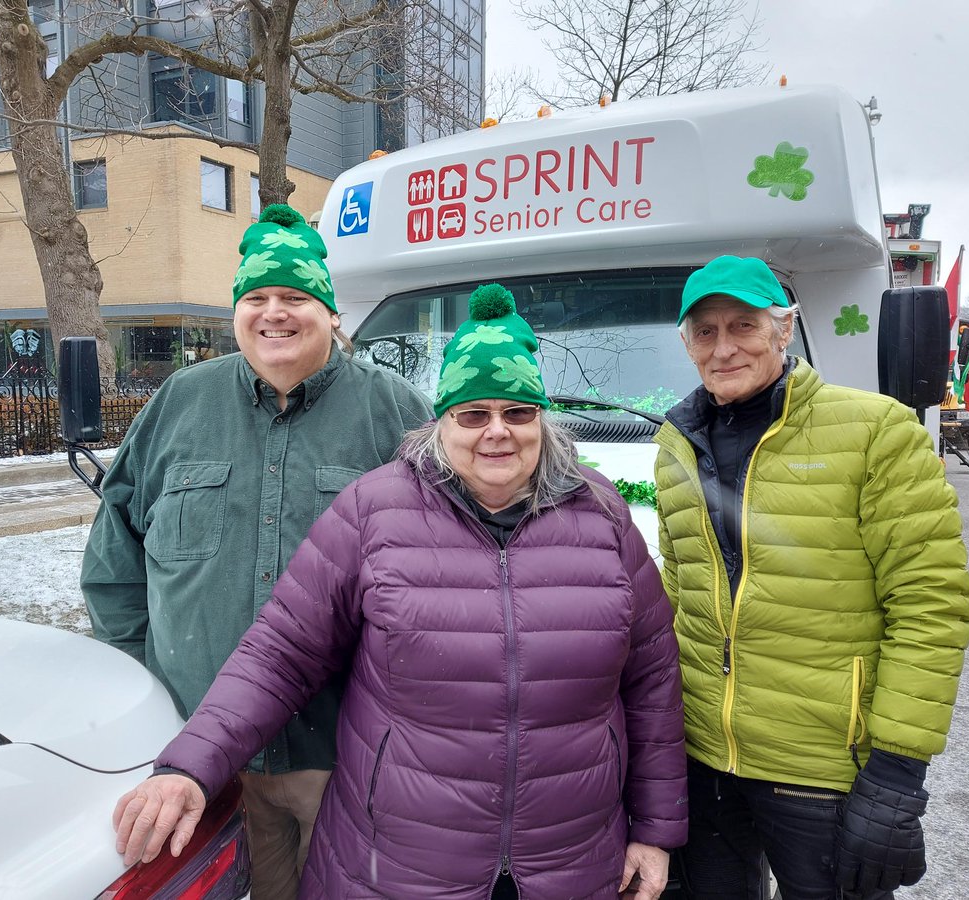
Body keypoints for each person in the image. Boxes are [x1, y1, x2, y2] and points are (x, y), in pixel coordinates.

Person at [110, 283, 688, 899]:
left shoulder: (601, 516)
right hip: (399, 863)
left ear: (542, 421)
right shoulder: (375, 510)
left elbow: (651, 681)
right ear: (442, 422)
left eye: (518, 412)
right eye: (473, 413)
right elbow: (279, 653)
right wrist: (190, 767)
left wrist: (654, 832)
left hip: (570, 857)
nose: (497, 432)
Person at [81, 204, 432, 900]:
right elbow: (115, 566)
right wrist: (147, 697)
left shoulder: (396, 413)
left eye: (296, 298)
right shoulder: (179, 404)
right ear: (236, 312)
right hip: (198, 763)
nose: (276, 313)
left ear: (330, 314)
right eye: (257, 298)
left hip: (340, 759)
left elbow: (445, 575)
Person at [652, 255, 969, 899]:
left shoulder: (875, 430)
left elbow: (930, 604)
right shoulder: (675, 441)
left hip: (823, 770)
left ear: (783, 330)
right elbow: (678, 593)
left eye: (743, 326)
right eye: (705, 331)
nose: (724, 348)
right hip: (704, 765)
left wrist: (895, 775)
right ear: (687, 343)